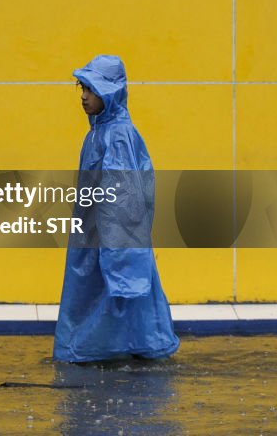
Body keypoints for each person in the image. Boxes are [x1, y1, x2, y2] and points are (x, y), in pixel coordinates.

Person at [53, 54, 179, 363]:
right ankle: (136, 345)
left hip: (110, 242)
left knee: (113, 292)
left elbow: (123, 202)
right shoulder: (100, 133)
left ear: (109, 92)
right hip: (97, 239)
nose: (83, 96)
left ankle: (100, 350)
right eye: (81, 87)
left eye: (91, 89)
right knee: (107, 296)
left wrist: (119, 255)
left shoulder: (117, 135)